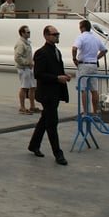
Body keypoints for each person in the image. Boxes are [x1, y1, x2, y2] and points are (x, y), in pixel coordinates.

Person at [27, 25, 72, 165]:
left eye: (58, 34)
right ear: (46, 36)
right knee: (52, 123)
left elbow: (56, 69)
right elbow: (38, 74)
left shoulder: (55, 51)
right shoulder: (41, 53)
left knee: (45, 120)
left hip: (55, 92)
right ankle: (58, 153)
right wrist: (57, 78)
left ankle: (34, 145)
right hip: (47, 94)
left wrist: (63, 76)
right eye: (54, 34)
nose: (57, 36)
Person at [72, 19, 107, 115]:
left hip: (84, 65)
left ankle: (86, 111)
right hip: (94, 65)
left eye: (80, 27)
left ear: (83, 28)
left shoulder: (81, 37)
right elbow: (104, 50)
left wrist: (74, 59)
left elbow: (74, 48)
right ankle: (95, 111)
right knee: (94, 90)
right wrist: (96, 58)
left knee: (83, 89)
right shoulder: (96, 38)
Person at [14, 26, 38, 114]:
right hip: (23, 68)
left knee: (33, 87)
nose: (29, 33)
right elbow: (17, 57)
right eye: (27, 32)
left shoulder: (26, 43)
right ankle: (22, 107)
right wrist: (27, 62)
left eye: (29, 32)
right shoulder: (21, 44)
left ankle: (32, 106)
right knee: (24, 87)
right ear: (22, 33)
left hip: (29, 68)